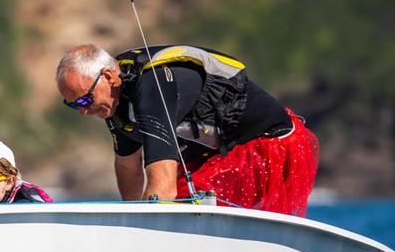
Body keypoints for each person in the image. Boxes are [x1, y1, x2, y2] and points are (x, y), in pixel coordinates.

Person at [55, 44, 319, 216]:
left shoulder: (152, 87)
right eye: (72, 105)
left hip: (271, 145)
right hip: (217, 156)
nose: (82, 111)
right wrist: (130, 221)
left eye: (83, 100)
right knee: (177, 203)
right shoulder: (111, 99)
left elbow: (163, 186)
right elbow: (128, 165)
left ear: (110, 77)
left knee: (176, 200)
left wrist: (143, 241)